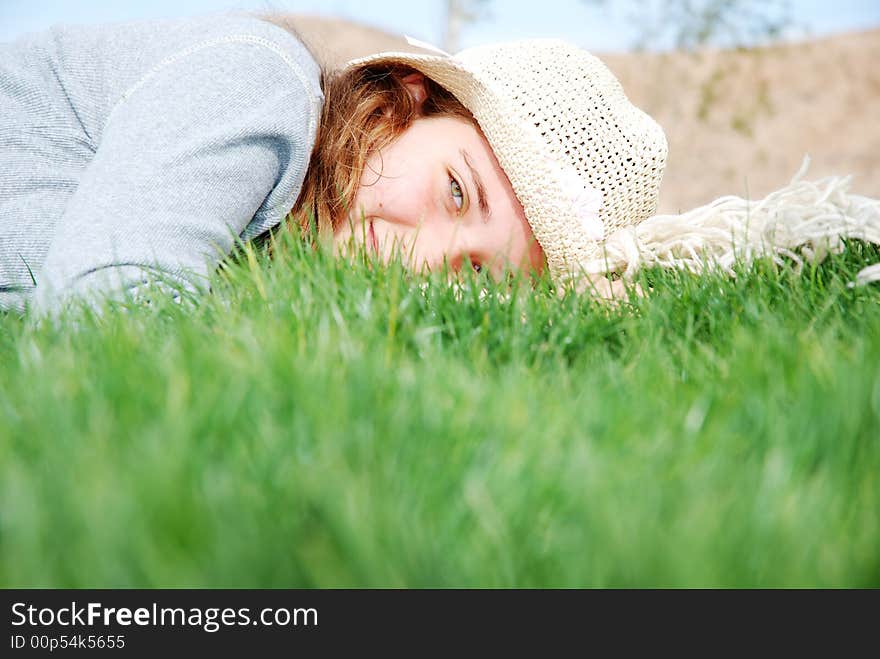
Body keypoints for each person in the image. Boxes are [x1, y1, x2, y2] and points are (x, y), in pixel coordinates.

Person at [2, 13, 877, 317]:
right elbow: (102, 303)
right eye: (458, 189)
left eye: (473, 274)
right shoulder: (256, 83)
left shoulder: (264, 260)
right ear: (408, 101)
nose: (421, 259)